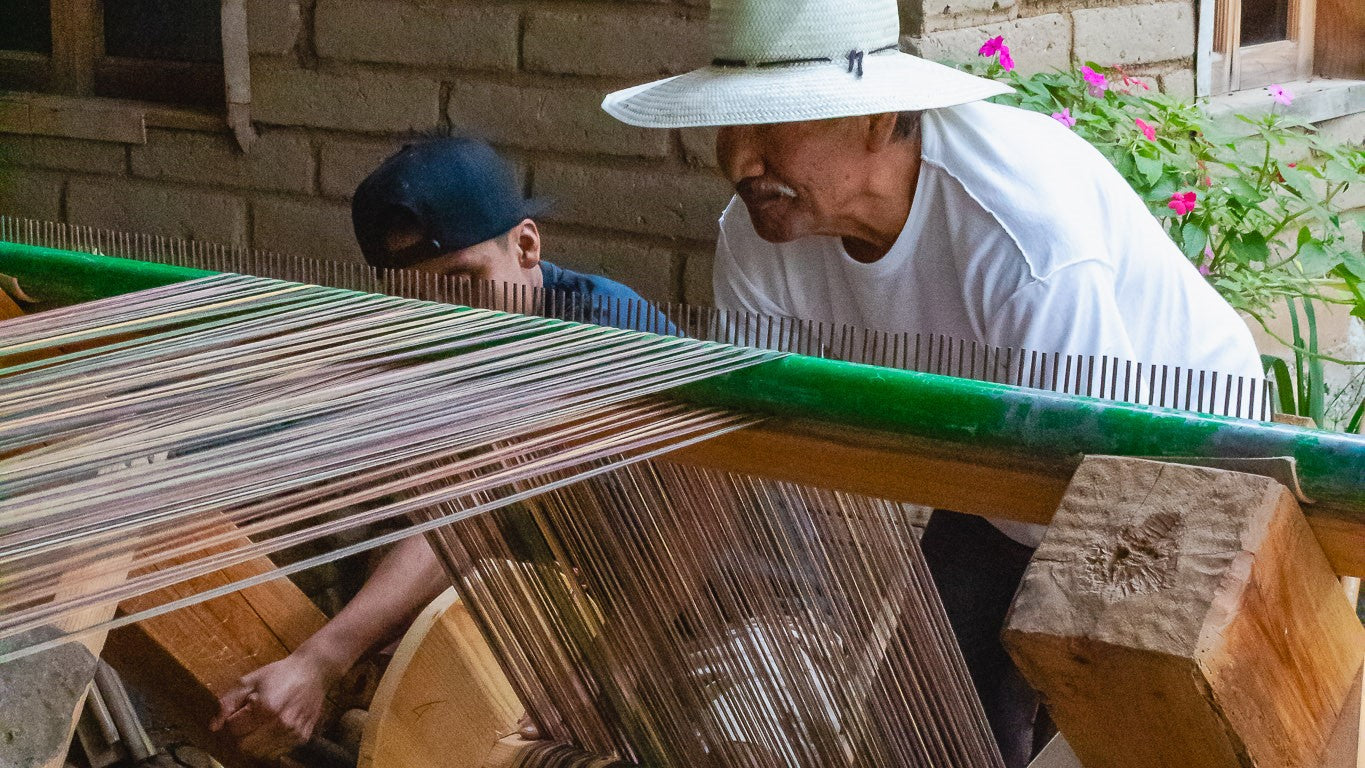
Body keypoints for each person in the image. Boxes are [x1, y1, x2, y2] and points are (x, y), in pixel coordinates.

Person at [600, 0, 1263, 765]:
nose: (739, 161)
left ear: (878, 118)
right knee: (929, 731)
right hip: (1000, 473)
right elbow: (742, 451)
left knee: (1135, 736)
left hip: (1173, 488)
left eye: (768, 124)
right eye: (727, 125)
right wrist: (620, 655)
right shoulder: (762, 236)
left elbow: (1102, 494)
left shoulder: (1020, 234)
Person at [211, 137, 673, 759]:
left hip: (665, 598)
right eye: (414, 298)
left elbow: (477, 502)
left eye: (463, 281)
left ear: (526, 246)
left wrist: (611, 670)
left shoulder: (608, 331)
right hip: (527, 578)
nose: (445, 319)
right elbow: (453, 503)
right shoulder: (429, 341)